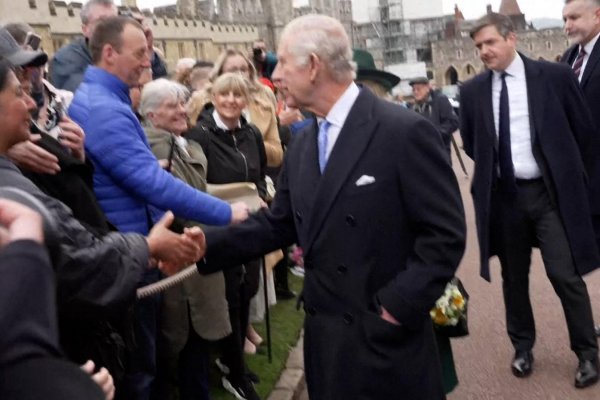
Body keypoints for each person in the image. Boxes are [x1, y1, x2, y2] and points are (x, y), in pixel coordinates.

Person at [197, 14, 466, 400]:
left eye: (283, 64)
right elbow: (278, 224)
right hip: (327, 343)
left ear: (313, 66)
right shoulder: (305, 144)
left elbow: (445, 234)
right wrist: (203, 246)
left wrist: (394, 308)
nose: (276, 76)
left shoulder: (401, 131)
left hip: (386, 341)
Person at [67, 16, 249, 399]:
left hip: (131, 248)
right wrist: (226, 213)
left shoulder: (105, 99)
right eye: (139, 53)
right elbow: (151, 183)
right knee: (139, 371)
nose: (147, 60)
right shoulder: (105, 109)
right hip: (130, 253)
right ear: (109, 53)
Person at [460, 12, 600, 388]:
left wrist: (571, 177)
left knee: (564, 275)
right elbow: (473, 143)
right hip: (506, 198)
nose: (484, 51)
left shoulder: (554, 77)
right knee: (513, 279)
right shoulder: (473, 91)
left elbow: (583, 131)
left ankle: (588, 352)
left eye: (490, 42)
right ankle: (522, 346)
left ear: (511, 39)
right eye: (478, 46)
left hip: (548, 195)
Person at [139, 78, 231, 400]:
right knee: (168, 351)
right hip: (171, 262)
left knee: (197, 349)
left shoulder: (188, 145)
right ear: (151, 116)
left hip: (196, 255)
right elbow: (172, 203)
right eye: (172, 105)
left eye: (182, 103)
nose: (182, 110)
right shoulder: (147, 151)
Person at [188, 72, 267, 400]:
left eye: (238, 96)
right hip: (218, 227)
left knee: (248, 288)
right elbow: (197, 182)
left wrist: (261, 194)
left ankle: (235, 361)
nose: (232, 101)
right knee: (230, 295)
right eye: (225, 96)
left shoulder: (251, 133)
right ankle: (234, 371)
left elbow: (260, 175)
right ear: (214, 98)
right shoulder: (201, 133)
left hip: (250, 224)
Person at [560, 0, 600, 338]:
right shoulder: (569, 59)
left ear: (598, 14)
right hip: (585, 180)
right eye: (564, 19)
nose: (568, 25)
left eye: (574, 17)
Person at [187, 49, 283, 168]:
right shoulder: (201, 100)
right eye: (233, 70)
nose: (239, 75)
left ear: (250, 71)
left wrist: (250, 143)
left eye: (243, 69)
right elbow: (191, 144)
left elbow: (277, 155)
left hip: (257, 175)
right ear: (220, 74)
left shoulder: (264, 98)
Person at [49, 0, 118, 92]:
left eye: (115, 22)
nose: (111, 28)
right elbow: (85, 95)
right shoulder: (66, 59)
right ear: (85, 30)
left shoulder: (121, 50)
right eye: (102, 22)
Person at [409, 76, 459, 161]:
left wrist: (433, 134)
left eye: (418, 89)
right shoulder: (412, 106)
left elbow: (453, 122)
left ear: (427, 88)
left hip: (440, 152)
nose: (415, 92)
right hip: (421, 155)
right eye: (413, 90)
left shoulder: (440, 100)